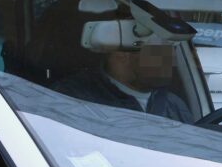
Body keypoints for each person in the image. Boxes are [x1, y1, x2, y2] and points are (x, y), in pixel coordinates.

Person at [54, 41, 194, 123]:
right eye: (158, 50)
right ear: (121, 53)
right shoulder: (73, 99)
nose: (169, 60)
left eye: (171, 50)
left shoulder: (174, 105)